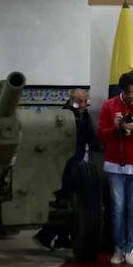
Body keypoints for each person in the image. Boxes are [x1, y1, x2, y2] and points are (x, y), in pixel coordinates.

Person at [97, 71, 133, 265]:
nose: (131, 95)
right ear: (121, 90)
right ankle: (118, 248)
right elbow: (101, 135)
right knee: (117, 207)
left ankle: (131, 249)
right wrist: (115, 128)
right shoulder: (109, 106)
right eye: (128, 92)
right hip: (115, 165)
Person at [35, 88, 97, 250]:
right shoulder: (63, 117)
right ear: (71, 101)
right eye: (80, 102)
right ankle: (47, 236)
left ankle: (58, 238)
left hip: (74, 166)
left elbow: (91, 139)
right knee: (65, 204)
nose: (84, 105)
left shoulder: (84, 116)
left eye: (86, 101)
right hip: (62, 168)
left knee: (69, 204)